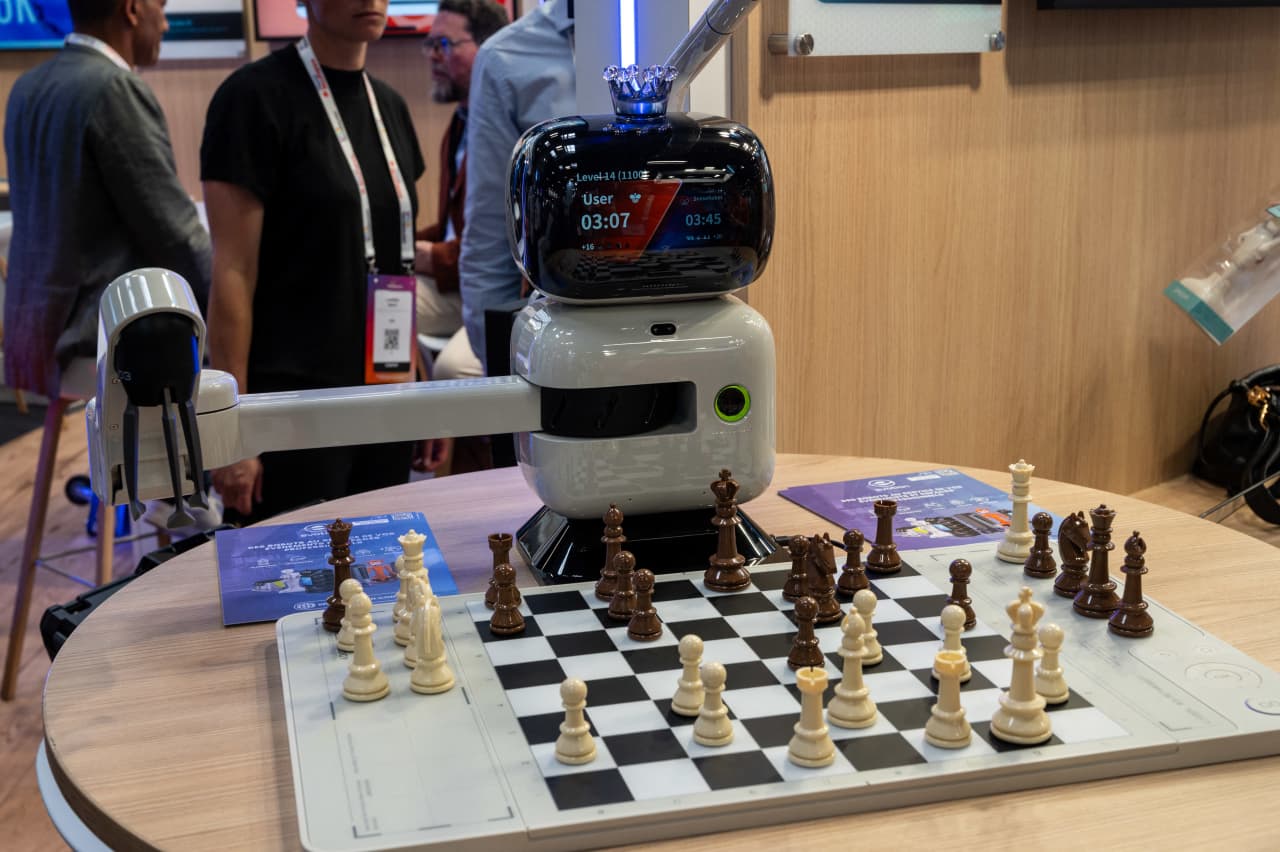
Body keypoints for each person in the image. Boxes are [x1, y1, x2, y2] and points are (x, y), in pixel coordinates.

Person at [200, 0, 432, 526]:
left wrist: (420, 385)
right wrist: (228, 429)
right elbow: (232, 271)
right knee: (301, 570)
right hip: (293, 399)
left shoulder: (389, 106)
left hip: (384, 389)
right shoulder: (251, 99)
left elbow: (395, 259)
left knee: (381, 562)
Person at [3, 0, 211, 400]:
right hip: (98, 336)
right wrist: (234, 304)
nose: (165, 24)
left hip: (34, 336)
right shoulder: (115, 88)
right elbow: (176, 236)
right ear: (132, 9)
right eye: (162, 7)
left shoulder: (27, 86)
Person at [458, 0, 576, 374]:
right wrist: (494, 356)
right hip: (558, 329)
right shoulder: (506, 58)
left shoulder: (685, 27)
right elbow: (491, 224)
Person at [413, 0, 509, 385]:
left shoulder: (507, 127)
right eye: (430, 44)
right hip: (459, 283)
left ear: (488, 49)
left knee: (452, 368)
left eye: (444, 44)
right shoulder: (459, 122)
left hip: (493, 287)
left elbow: (505, 243)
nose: (433, 56)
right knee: (373, 303)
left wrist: (431, 257)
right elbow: (455, 226)